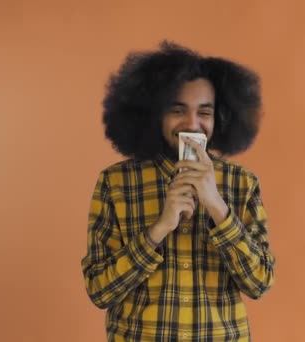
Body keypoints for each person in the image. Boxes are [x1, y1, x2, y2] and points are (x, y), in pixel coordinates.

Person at [81, 41, 275, 341]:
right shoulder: (116, 183)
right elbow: (100, 291)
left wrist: (216, 206)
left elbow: (259, 284)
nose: (192, 123)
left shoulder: (242, 184)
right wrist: (158, 229)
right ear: (154, 115)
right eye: (178, 110)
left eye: (204, 112)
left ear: (219, 118)